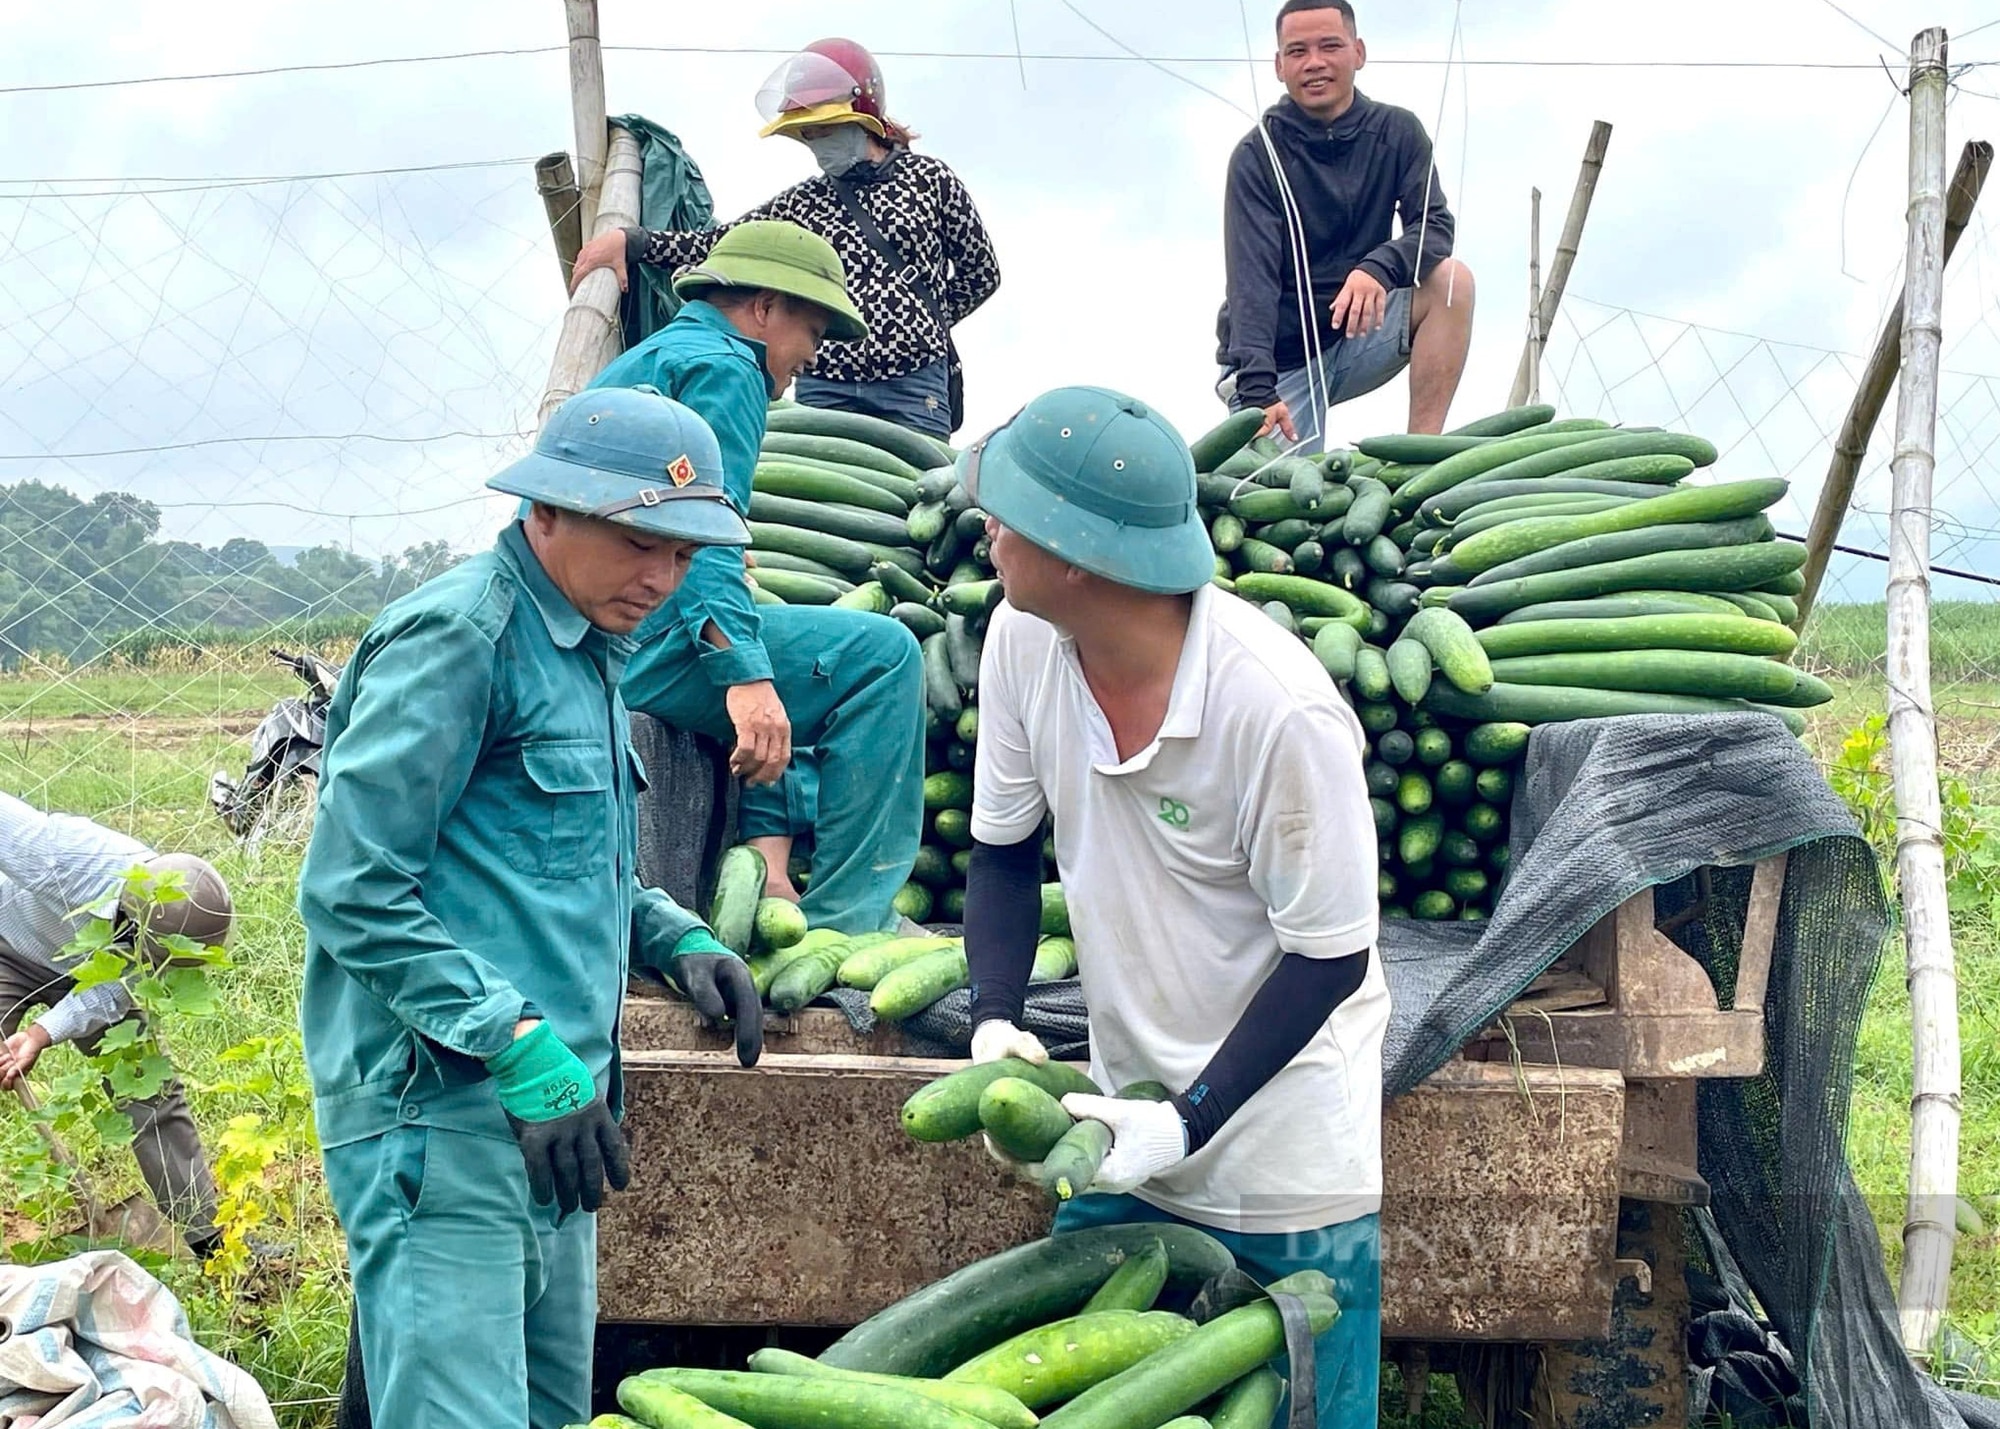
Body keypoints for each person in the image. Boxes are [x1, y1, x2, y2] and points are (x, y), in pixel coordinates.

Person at [298, 385, 764, 1429]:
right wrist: (512, 1039)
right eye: (640, 539)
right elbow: (350, 890)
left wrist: (670, 934)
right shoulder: (458, 640)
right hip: (446, 1105)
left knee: (550, 1409)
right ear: (544, 510)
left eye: (685, 555)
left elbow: (553, 861)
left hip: (559, 1117)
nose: (661, 576)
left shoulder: (592, 647)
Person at [958, 386, 1391, 1429]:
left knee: (1292, 1407)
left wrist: (1186, 1119)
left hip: (1281, 1154)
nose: (987, 527)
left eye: (1008, 514)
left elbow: (1329, 954)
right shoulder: (1022, 640)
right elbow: (1002, 853)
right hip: (1114, 1123)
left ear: (1076, 556)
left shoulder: (1274, 709)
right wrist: (993, 1016)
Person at [589, 220, 926, 935]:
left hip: (601, 629)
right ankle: (853, 919)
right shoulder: (727, 368)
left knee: (766, 638)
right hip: (635, 639)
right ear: (765, 308)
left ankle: (772, 871)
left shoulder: (662, 354)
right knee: (884, 657)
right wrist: (744, 676)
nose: (807, 359)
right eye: (811, 331)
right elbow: (704, 537)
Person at [571, 37, 1000, 440]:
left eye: (824, 130)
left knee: (915, 503)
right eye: (808, 135)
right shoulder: (804, 203)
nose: (817, 143)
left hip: (913, 383)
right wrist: (634, 242)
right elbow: (719, 245)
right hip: (825, 384)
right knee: (819, 515)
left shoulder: (929, 180)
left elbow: (981, 273)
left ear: (862, 117)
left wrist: (918, 323)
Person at [1217, 0, 1475, 448]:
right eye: (1297, 51)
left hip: (1357, 334)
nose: (1314, 63)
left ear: (1358, 52)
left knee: (1452, 282)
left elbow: (1434, 225)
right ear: (1279, 66)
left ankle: (1423, 456)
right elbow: (1250, 284)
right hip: (1279, 362)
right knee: (1287, 506)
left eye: (1329, 46)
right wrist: (1258, 390)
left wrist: (1379, 267)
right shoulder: (1256, 156)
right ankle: (1264, 411)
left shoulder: (1398, 132)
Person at [0, 801, 234, 1260]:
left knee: (152, 1094)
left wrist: (40, 1034)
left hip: (87, 973)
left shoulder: (169, 931)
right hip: (7, 942)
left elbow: (112, 993)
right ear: (132, 916)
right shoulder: (65, 854)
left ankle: (208, 1242)